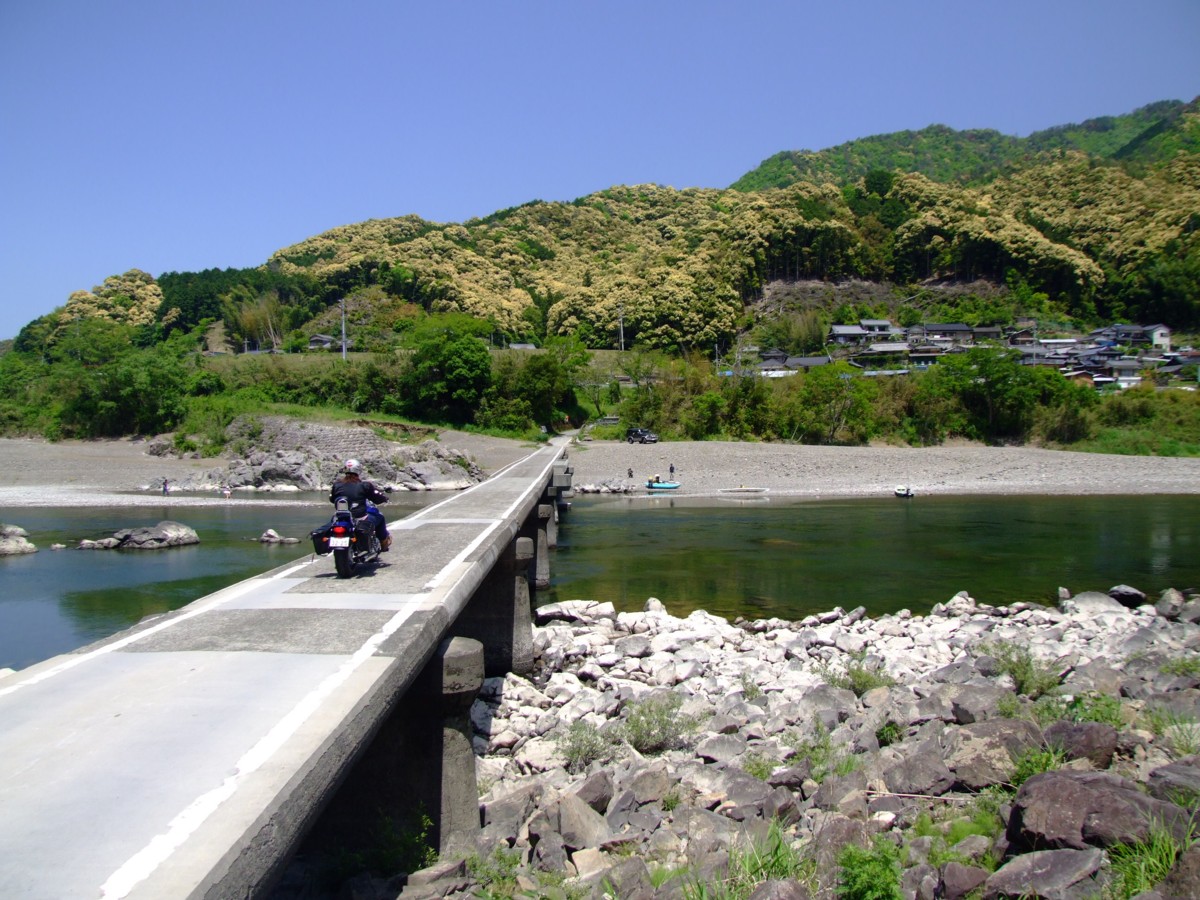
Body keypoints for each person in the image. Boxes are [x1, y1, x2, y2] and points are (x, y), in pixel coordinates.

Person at [330, 459, 391, 551]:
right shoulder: (365, 485)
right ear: (358, 470)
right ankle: (384, 544)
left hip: (340, 518)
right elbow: (376, 498)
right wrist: (384, 498)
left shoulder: (337, 485)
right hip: (359, 517)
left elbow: (332, 499)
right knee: (380, 517)